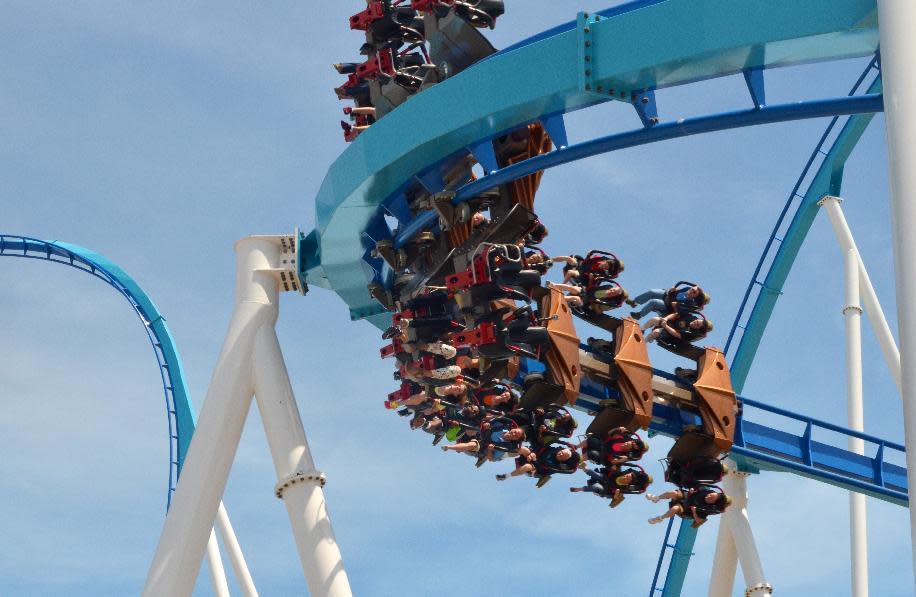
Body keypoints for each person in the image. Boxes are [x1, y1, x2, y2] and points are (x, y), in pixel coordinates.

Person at [646, 486, 731, 527]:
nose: (708, 496)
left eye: (711, 498)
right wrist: (692, 490)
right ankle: (656, 498)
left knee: (675, 508)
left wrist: (694, 511)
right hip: (686, 497)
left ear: (713, 503)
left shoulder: (707, 509)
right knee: (673, 493)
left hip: (686, 509)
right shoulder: (708, 491)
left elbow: (698, 521)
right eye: (710, 495)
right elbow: (696, 489)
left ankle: (660, 518)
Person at [629, 284, 707, 320]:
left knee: (654, 302)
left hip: (667, 306)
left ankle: (639, 315)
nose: (691, 291)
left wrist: (675, 306)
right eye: (692, 289)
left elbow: (678, 312)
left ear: (695, 296)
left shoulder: (689, 303)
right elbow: (674, 290)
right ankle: (634, 302)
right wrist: (672, 289)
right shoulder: (686, 288)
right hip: (667, 295)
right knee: (652, 292)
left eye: (694, 292)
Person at [643, 311, 713, 345]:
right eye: (697, 321)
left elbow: (676, 334)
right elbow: (676, 314)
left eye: (697, 325)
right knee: (655, 319)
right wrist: (666, 319)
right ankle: (641, 330)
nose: (695, 322)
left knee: (656, 332)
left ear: (698, 329)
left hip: (670, 335)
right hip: (669, 323)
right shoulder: (692, 317)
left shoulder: (692, 334)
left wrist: (665, 326)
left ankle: (642, 343)